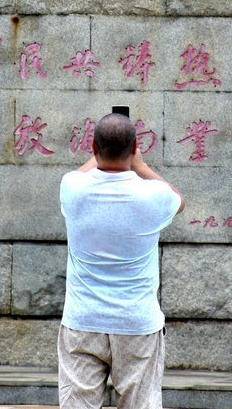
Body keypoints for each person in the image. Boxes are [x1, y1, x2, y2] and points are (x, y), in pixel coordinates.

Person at [58, 112, 185, 409]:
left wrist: (107, 153)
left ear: (92, 147)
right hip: (136, 323)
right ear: (135, 147)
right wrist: (138, 164)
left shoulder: (72, 189)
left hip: (83, 322)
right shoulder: (153, 196)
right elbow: (178, 199)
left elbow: (85, 171)